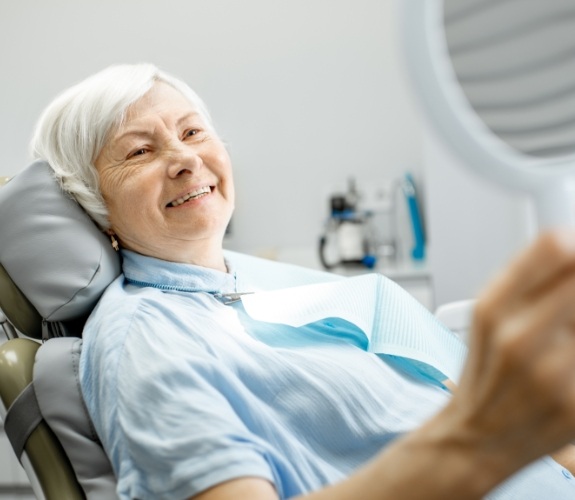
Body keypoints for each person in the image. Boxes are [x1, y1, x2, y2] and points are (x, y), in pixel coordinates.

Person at [30, 63, 575, 500]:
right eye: (139, 151)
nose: (185, 158)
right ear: (94, 205)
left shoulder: (256, 283)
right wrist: (482, 439)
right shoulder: (146, 341)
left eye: (192, 130)